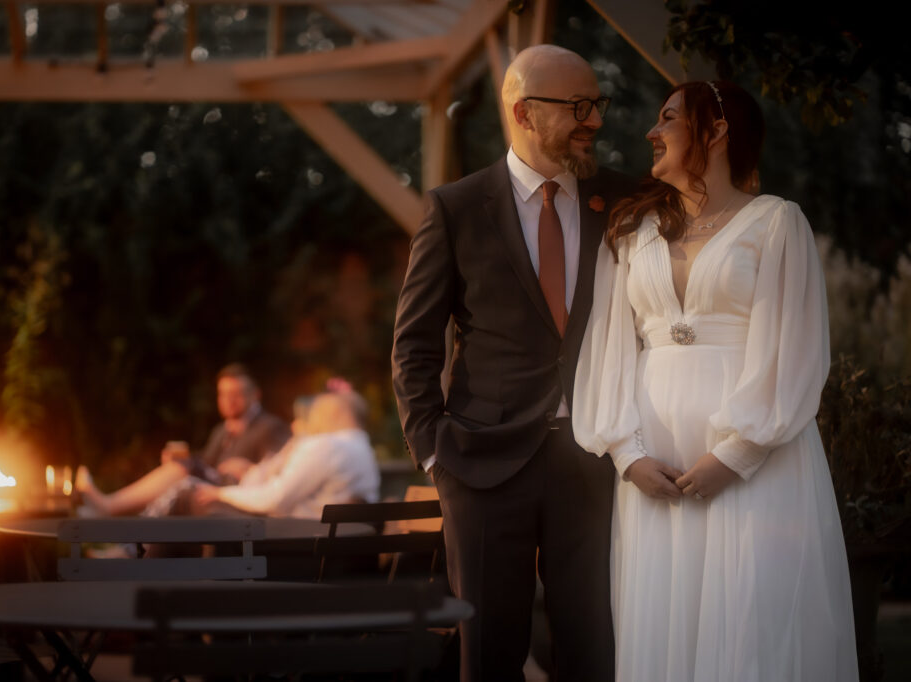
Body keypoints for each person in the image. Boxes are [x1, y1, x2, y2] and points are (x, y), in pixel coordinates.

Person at [572, 80, 858, 681]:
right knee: (662, 625)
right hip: (654, 469)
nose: (652, 132)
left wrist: (736, 452)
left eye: (669, 118)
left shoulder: (777, 224)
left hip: (756, 467)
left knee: (751, 623)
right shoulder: (630, 232)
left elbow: (796, 348)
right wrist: (626, 454)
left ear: (718, 129)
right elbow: (606, 348)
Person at [392, 44, 635, 681]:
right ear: (525, 112)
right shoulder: (456, 208)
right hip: (480, 462)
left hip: (593, 457)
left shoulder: (625, 200)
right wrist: (433, 449)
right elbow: (414, 343)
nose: (595, 120)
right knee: (490, 654)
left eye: (598, 103)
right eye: (579, 105)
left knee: (596, 647)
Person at [75, 364, 290, 515]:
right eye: (223, 394)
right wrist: (183, 459)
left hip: (237, 492)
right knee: (177, 474)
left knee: (181, 472)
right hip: (212, 487)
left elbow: (282, 471)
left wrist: (250, 468)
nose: (229, 400)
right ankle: (131, 547)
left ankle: (109, 506)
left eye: (236, 393)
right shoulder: (221, 430)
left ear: (255, 395)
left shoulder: (270, 427)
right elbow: (206, 463)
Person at [191, 390, 380, 519]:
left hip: (302, 542)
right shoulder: (361, 446)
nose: (311, 418)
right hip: (337, 542)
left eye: (316, 412)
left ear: (330, 415)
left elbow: (275, 500)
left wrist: (222, 494)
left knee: (195, 503)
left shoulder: (325, 446)